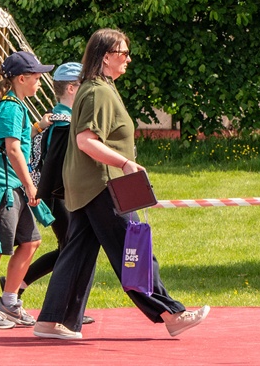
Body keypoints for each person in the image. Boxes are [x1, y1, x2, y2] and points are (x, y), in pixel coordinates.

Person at [35, 29, 210, 340]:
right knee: (134, 250)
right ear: (106, 56)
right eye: (123, 53)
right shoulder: (99, 92)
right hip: (102, 185)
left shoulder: (97, 88)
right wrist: (125, 163)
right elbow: (86, 141)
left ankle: (51, 321)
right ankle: (172, 313)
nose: (128, 58)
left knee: (77, 253)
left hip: (88, 186)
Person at [0, 51, 52, 329]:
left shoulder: (14, 105)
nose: (40, 81)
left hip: (9, 187)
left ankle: (9, 301)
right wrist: (31, 185)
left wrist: (41, 124)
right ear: (21, 78)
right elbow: (13, 148)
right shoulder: (11, 107)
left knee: (30, 242)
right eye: (37, 76)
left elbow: (19, 139)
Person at [16, 62, 90, 321]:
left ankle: (17, 286)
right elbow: (55, 167)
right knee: (72, 248)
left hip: (59, 195)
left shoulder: (59, 119)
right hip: (60, 196)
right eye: (84, 86)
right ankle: (60, 307)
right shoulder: (63, 124)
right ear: (72, 88)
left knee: (68, 248)